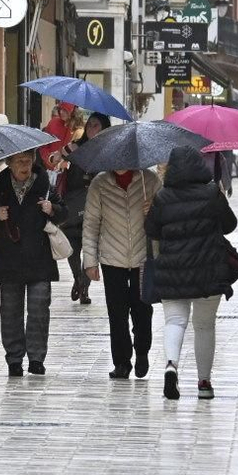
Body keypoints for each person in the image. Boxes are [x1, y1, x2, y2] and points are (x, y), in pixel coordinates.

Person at [145, 147, 238, 401]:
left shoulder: (162, 197)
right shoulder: (211, 193)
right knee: (204, 326)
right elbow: (230, 225)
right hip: (208, 272)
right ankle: (204, 383)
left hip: (173, 271)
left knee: (175, 322)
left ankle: (171, 365)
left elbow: (151, 230)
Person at [0, 152, 62, 376]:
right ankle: (14, 359)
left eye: (28, 160)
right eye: (20, 161)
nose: (25, 165)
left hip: (39, 259)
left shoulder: (44, 183)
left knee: (39, 309)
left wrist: (52, 209)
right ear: (9, 163)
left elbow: (64, 211)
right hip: (9, 259)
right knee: (10, 311)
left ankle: (36, 358)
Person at [82, 161, 161, 379]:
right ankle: (121, 362)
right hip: (112, 257)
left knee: (143, 310)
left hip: (143, 256)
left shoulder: (150, 180)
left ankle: (142, 352)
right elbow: (90, 224)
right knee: (117, 313)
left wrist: (154, 209)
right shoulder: (100, 183)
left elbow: (167, 216)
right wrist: (90, 260)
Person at [58, 112, 109, 304]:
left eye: (96, 125)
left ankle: (84, 288)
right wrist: (61, 158)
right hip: (73, 203)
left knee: (90, 248)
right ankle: (78, 278)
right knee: (73, 247)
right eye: (90, 125)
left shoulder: (107, 150)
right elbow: (55, 158)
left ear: (104, 128)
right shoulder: (76, 147)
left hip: (96, 206)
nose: (91, 129)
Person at [39, 101, 79, 171]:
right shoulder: (53, 123)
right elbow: (43, 146)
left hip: (69, 173)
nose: (61, 112)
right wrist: (51, 158)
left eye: (65, 110)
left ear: (72, 110)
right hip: (51, 171)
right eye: (60, 109)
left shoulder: (78, 129)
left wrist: (64, 164)